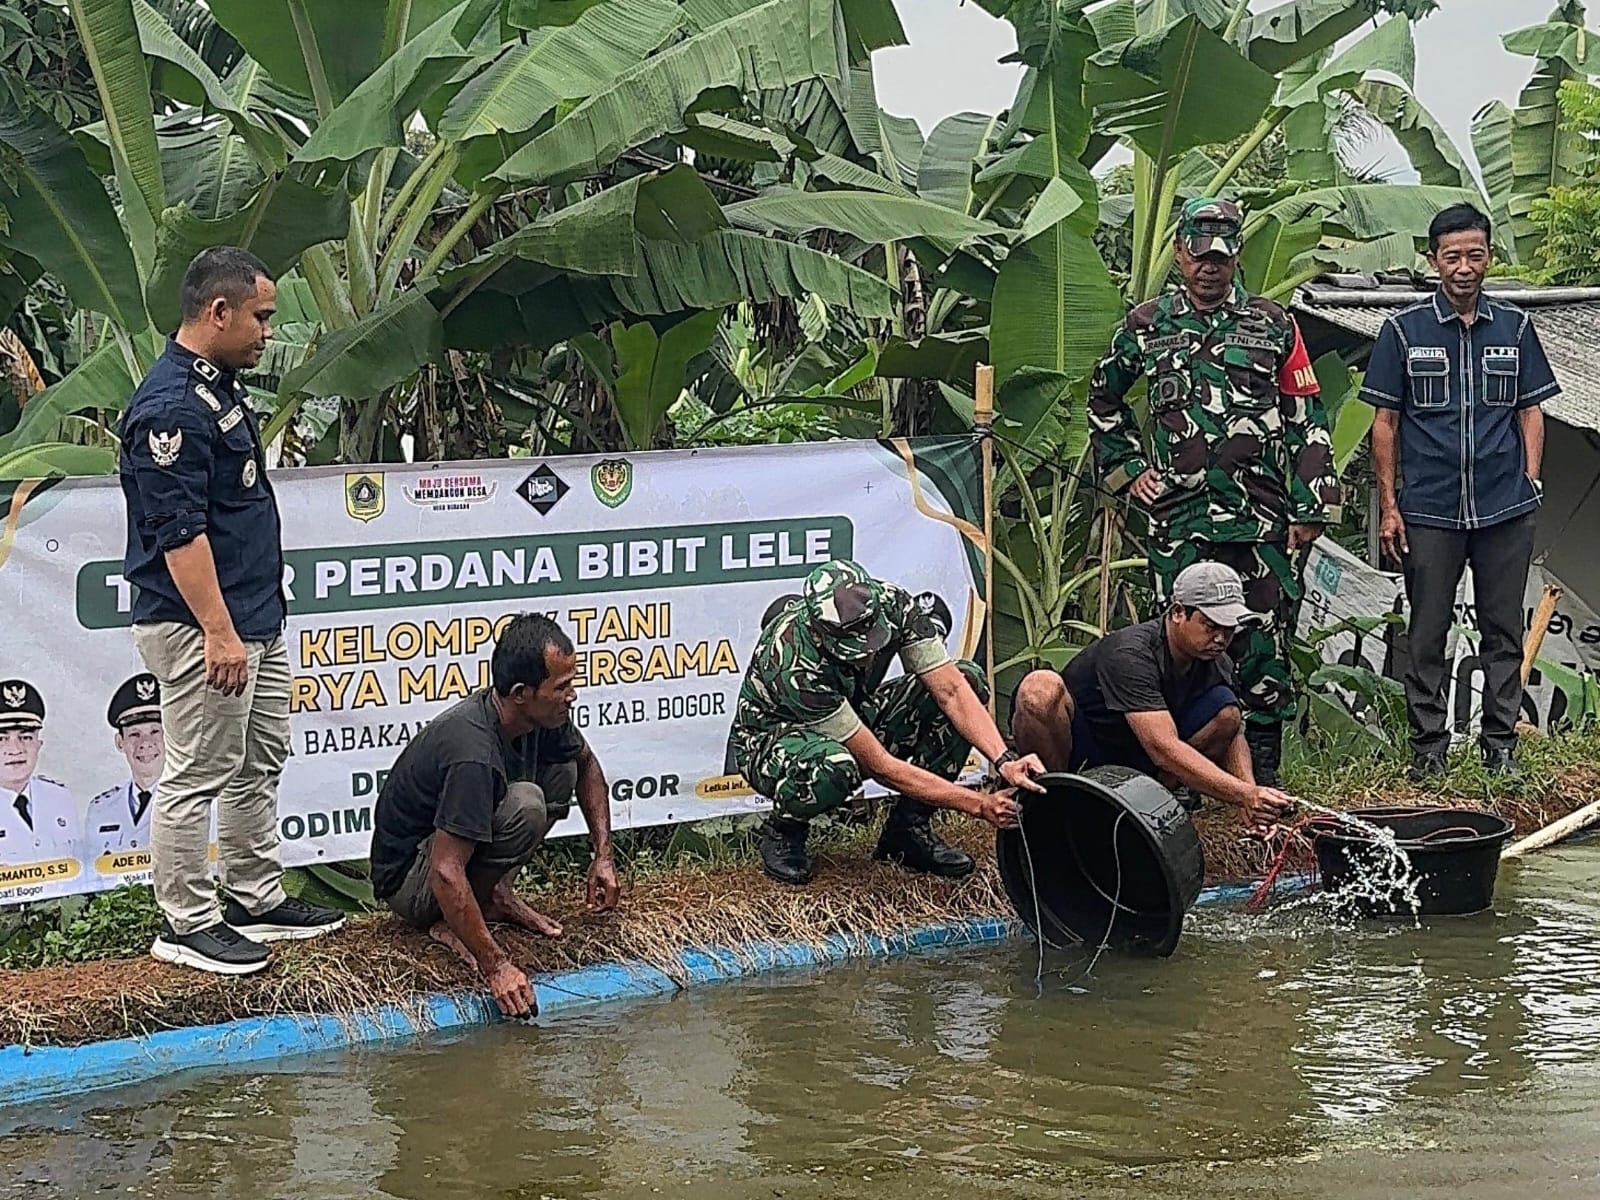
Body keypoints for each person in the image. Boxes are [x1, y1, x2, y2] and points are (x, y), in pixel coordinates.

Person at [120, 246, 344, 977]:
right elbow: (178, 534)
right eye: (261, 317)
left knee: (258, 758)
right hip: (201, 627)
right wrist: (218, 632)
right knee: (198, 771)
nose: (268, 332)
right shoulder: (170, 408)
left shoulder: (215, 387)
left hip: (253, 618)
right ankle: (186, 922)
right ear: (218, 313)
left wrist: (247, 625)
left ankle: (254, 896)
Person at [1088, 196, 1342, 787]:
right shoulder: (1146, 325)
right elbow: (1103, 398)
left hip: (1260, 521)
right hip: (1179, 520)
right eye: (1200, 255)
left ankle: (1264, 778)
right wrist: (1128, 470)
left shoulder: (1273, 324)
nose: (1209, 266)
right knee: (1181, 648)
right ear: (1180, 252)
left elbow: (1306, 416)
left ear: (1237, 256)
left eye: (1221, 257)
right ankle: (1185, 777)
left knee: (1262, 645)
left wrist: (1312, 506)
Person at [1361, 202, 1559, 778]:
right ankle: (1429, 750)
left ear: (1489, 257)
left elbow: (1531, 409)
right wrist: (1390, 506)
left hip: (1504, 507)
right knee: (1427, 633)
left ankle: (1500, 748)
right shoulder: (1403, 332)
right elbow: (1384, 424)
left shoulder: (1515, 328)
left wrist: (1531, 478)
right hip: (1429, 509)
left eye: (1475, 255)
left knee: (1503, 630)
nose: (1464, 267)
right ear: (1434, 261)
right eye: (1452, 257)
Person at [730, 559, 1044, 886]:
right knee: (834, 765)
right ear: (818, 635)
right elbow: (879, 765)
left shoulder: (894, 604)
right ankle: (785, 831)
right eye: (854, 648)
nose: (868, 653)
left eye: (871, 639)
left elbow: (951, 690)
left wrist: (1005, 760)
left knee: (969, 679)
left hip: (852, 712)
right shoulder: (793, 661)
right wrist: (979, 805)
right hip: (773, 742)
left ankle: (907, 831)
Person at [369, 614, 620, 1020]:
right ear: (521, 693)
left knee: (564, 768)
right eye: (561, 687)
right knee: (526, 805)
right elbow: (445, 871)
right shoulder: (473, 750)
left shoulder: (542, 717)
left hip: (443, 862)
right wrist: (497, 967)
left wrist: (603, 856)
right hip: (411, 880)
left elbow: (587, 764)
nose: (572, 696)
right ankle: (446, 920)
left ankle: (494, 895)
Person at [1009, 564, 1295, 833]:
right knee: (1039, 689)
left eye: (1229, 628)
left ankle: (1147, 805)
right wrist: (1243, 794)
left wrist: (1253, 799)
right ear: (1178, 613)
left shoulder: (1217, 660)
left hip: (1140, 763)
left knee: (1228, 711)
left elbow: (1233, 733)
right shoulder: (1130, 653)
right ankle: (1053, 800)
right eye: (1211, 625)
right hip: (1085, 749)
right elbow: (1162, 748)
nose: (1221, 638)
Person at [83, 673, 166, 883]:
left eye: (155, 732)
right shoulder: (100, 809)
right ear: (120, 742)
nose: (145, 743)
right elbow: (92, 878)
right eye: (134, 734)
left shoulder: (196, 801)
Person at [0, 680, 82, 869]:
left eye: (26, 737)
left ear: (38, 745)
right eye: (2, 739)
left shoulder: (60, 797)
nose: (16, 749)